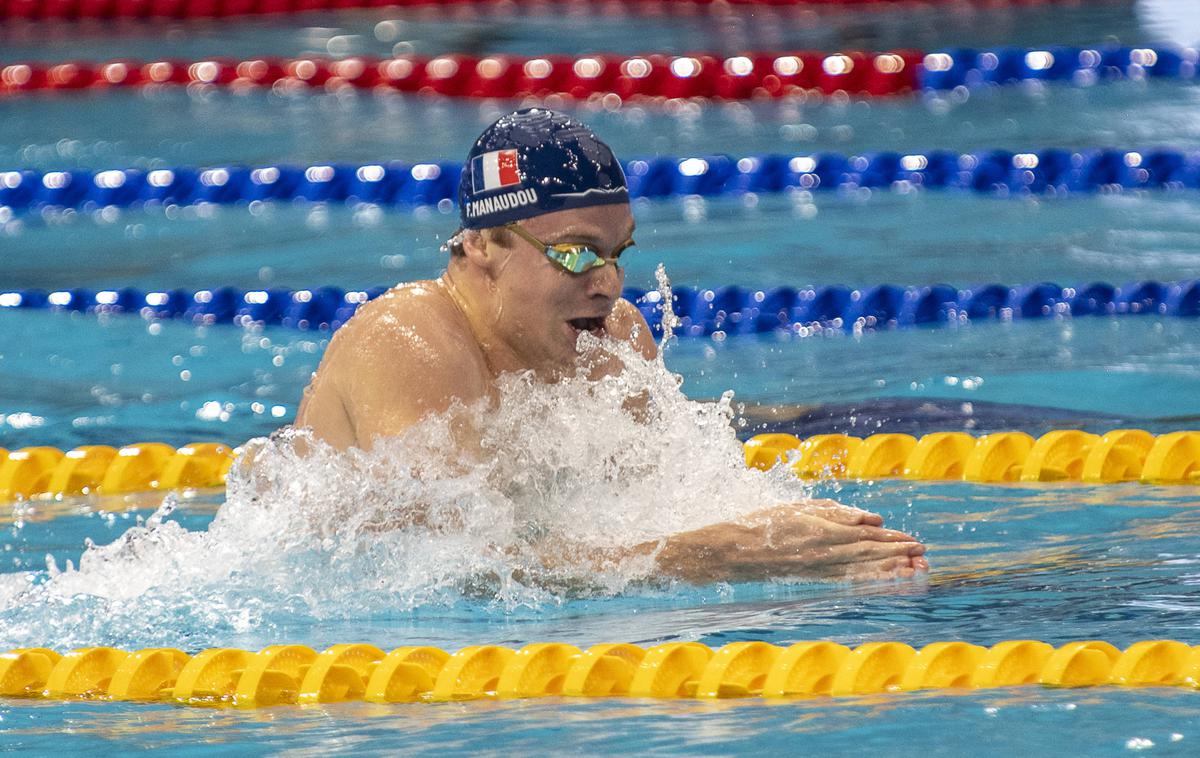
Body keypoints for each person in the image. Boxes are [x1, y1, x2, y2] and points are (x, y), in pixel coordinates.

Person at [295, 107, 928, 584]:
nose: (608, 285)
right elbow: (458, 572)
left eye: (617, 252)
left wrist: (780, 528)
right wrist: (727, 554)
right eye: (574, 253)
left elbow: (650, 505)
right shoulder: (409, 340)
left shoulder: (613, 338)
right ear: (483, 245)